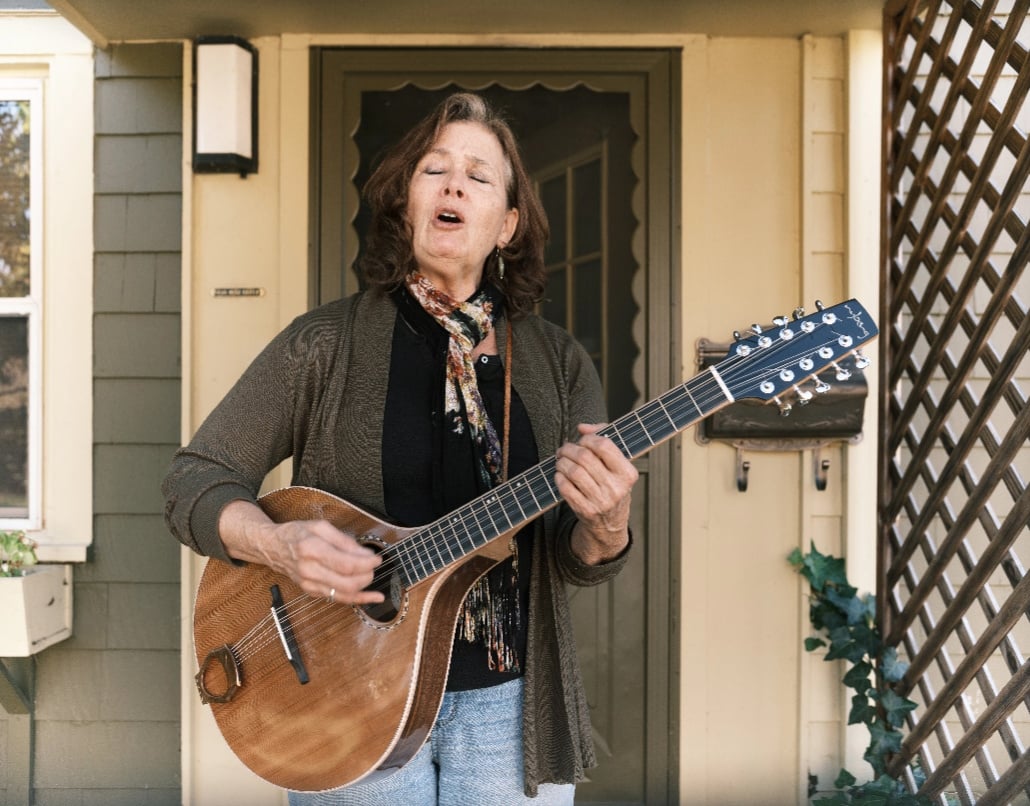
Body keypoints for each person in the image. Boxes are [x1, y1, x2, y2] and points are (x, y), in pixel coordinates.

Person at [162, 92, 638, 804]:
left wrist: (607, 524)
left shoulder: (559, 363)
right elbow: (193, 480)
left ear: (507, 225)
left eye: (479, 176)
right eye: (433, 169)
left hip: (509, 706)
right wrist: (277, 546)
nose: (453, 183)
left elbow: (576, 557)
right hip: (342, 693)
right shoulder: (323, 344)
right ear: (404, 203)